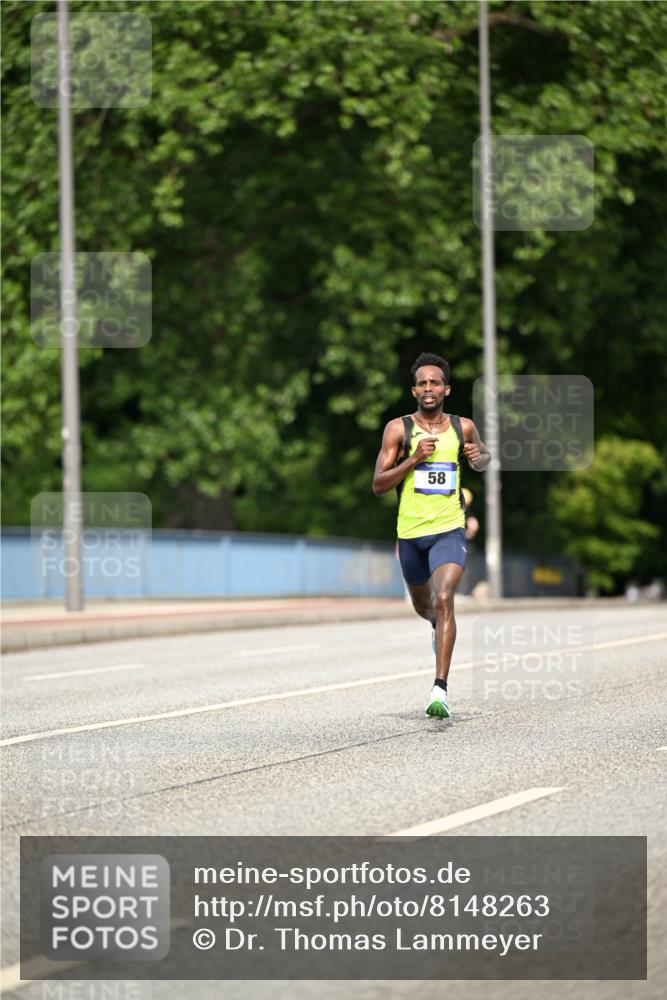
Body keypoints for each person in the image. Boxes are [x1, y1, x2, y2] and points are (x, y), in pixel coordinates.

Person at [372, 352, 490, 718]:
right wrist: (412, 461)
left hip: (448, 530)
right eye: (422, 383)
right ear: (413, 390)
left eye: (434, 382)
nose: (428, 388)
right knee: (427, 609)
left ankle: (439, 689)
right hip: (410, 535)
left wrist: (478, 457)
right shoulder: (398, 429)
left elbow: (483, 459)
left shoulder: (463, 427)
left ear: (446, 389)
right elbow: (378, 484)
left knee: (444, 599)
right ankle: (439, 629)